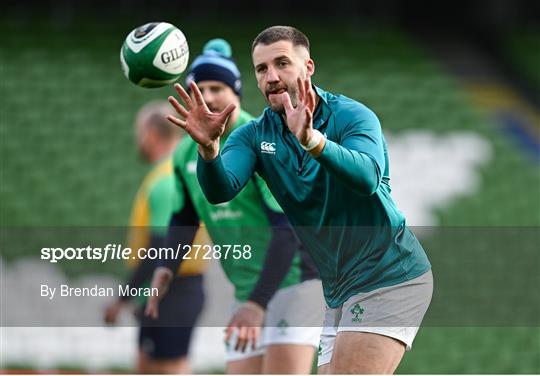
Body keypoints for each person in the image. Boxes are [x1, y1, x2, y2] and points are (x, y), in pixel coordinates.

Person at [166, 26, 433, 374]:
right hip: (338, 291)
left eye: (282, 63)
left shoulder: (352, 116)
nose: (272, 76)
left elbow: (367, 178)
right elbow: (220, 191)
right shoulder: (253, 135)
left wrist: (313, 140)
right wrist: (208, 150)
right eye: (262, 69)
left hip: (389, 276)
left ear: (308, 68)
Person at [145, 39, 323, 374]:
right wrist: (165, 267)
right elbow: (184, 216)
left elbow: (287, 232)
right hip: (246, 290)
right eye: (199, 89)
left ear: (237, 93)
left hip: (293, 282)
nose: (209, 98)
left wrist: (258, 304)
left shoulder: (264, 139)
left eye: (217, 87)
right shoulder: (186, 151)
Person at [103, 101, 208, 374]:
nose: (138, 139)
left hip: (172, 291)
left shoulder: (167, 178)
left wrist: (122, 298)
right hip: (172, 289)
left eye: (139, 132)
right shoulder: (177, 172)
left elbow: (161, 249)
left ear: (151, 133)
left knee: (168, 369)